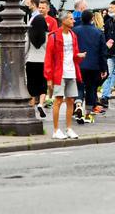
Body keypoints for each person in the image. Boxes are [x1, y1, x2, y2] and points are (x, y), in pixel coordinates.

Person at [45, 11, 84, 140]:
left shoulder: (73, 35)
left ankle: (68, 128)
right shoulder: (54, 36)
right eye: (71, 19)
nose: (73, 21)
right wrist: (49, 77)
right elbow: (49, 58)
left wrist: (78, 56)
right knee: (58, 100)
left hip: (71, 71)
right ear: (64, 21)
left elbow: (74, 53)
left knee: (71, 100)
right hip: (59, 73)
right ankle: (56, 129)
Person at [72, 10, 107, 115]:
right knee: (91, 87)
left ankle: (78, 104)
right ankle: (88, 110)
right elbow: (102, 52)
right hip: (93, 65)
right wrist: (103, 68)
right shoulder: (99, 32)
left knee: (79, 86)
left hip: (78, 64)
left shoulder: (75, 31)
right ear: (92, 19)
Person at [25, 2, 49, 117]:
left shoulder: (29, 34)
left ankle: (31, 105)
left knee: (31, 84)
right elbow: (48, 48)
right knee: (42, 84)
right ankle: (41, 103)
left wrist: (23, 59)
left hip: (31, 61)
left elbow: (26, 48)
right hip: (43, 61)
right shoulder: (46, 35)